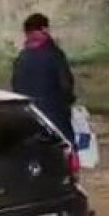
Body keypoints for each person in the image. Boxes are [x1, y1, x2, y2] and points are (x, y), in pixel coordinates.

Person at [11, 13, 77, 143]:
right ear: (44, 29)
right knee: (65, 151)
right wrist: (68, 101)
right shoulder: (54, 55)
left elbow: (15, 86)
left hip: (30, 117)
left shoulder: (21, 58)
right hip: (55, 116)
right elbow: (66, 85)